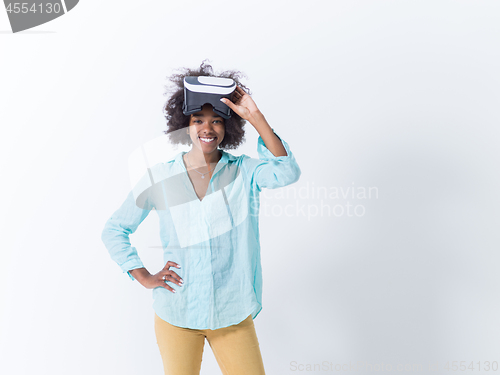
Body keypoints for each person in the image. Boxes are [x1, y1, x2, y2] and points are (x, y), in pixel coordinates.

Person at [101, 60, 301, 375]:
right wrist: (142, 275)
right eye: (197, 120)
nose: (207, 129)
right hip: (177, 313)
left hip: (232, 313)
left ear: (228, 127)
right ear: (185, 124)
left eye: (217, 121)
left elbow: (286, 171)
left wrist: (256, 117)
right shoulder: (159, 178)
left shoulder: (244, 171)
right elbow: (115, 229)